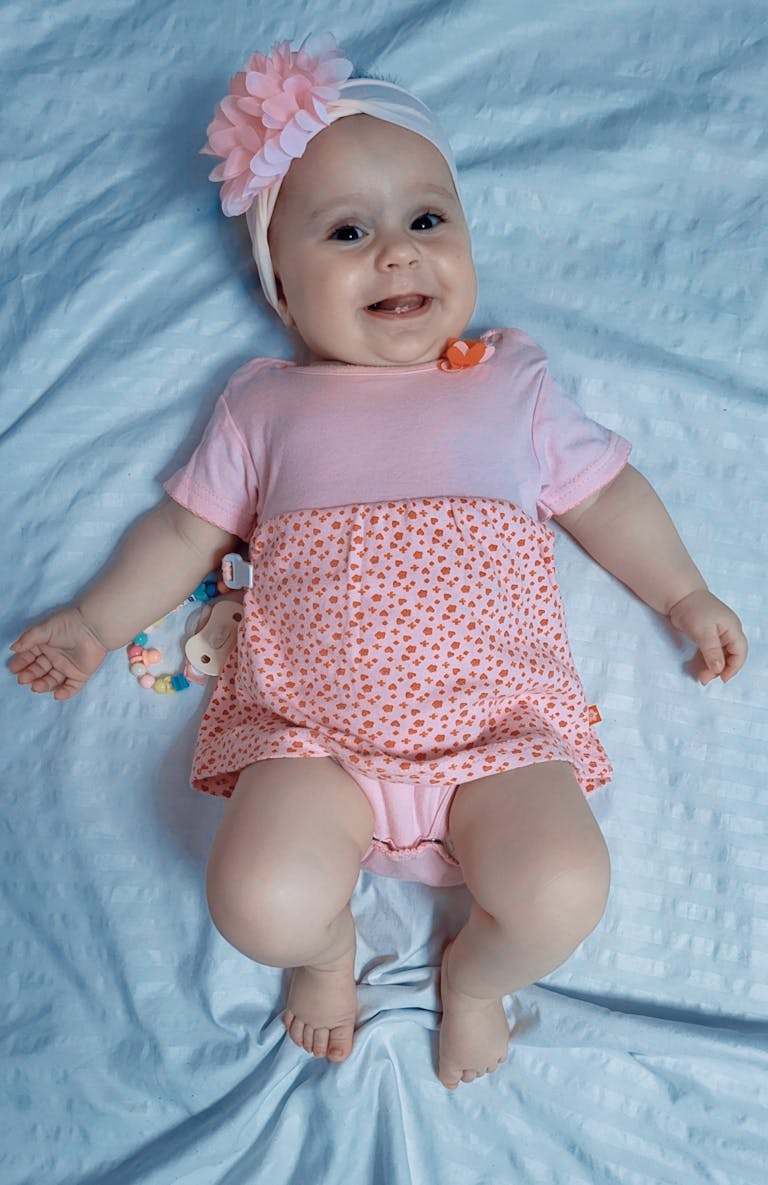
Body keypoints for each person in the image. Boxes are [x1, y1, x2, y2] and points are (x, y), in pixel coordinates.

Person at [8, 32, 748, 1091]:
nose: (398, 253)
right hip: (316, 743)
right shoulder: (266, 404)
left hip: (497, 736)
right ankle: (325, 952)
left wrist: (684, 591)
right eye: (348, 231)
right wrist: (92, 623)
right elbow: (183, 532)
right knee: (254, 897)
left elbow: (608, 497)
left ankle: (479, 979)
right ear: (281, 290)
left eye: (427, 220)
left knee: (564, 890)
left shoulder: (510, 384)